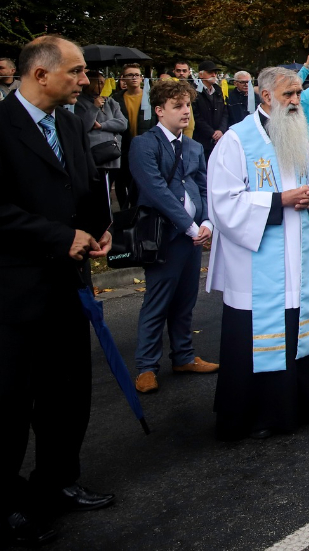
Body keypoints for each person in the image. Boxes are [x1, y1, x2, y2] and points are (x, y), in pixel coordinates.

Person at [0, 36, 114, 545]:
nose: (84, 80)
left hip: (69, 287)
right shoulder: (1, 127)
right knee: (11, 400)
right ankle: (7, 503)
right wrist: (59, 236)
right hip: (16, 292)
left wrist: (100, 225)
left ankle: (59, 480)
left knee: (67, 394)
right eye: (76, 71)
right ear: (40, 74)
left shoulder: (69, 121)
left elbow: (84, 185)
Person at [206, 66, 309, 438]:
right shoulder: (236, 140)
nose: (296, 102)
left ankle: (304, 406)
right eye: (289, 95)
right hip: (258, 263)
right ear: (265, 96)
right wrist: (278, 201)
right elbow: (223, 202)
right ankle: (258, 415)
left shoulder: (296, 133)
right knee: (258, 336)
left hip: (299, 257)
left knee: (300, 331)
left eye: (298, 94)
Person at [129, 79, 219, 395]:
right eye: (178, 106)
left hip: (192, 237)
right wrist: (191, 226)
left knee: (185, 301)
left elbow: (205, 187)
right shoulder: (144, 144)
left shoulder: (194, 147)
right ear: (159, 110)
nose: (185, 111)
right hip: (163, 236)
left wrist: (207, 219)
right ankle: (146, 367)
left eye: (188, 105)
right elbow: (156, 190)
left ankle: (183, 355)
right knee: (157, 301)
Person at [79, 69, 128, 199]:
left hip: (113, 154)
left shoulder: (111, 102)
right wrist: (94, 108)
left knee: (107, 193)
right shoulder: (79, 102)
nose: (102, 85)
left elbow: (123, 124)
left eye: (103, 82)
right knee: (97, 194)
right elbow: (84, 126)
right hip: (95, 156)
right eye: (99, 82)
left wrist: (102, 125)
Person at [111, 62, 154, 206]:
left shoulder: (150, 98)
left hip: (144, 147)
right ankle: (123, 213)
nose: (134, 78)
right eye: (130, 75)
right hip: (122, 147)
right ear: (123, 79)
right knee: (122, 182)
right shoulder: (115, 99)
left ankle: (138, 212)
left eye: (137, 75)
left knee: (141, 183)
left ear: (142, 78)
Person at [193, 60, 229, 158]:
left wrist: (221, 130)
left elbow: (224, 111)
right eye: (210, 72)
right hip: (201, 139)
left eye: (215, 72)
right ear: (201, 74)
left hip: (218, 138)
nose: (214, 75)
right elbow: (195, 116)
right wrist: (211, 133)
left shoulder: (218, 90)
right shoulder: (194, 91)